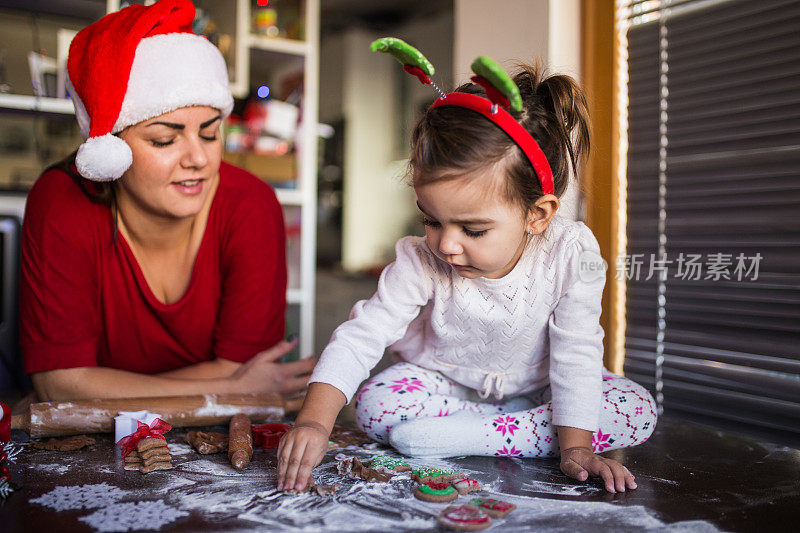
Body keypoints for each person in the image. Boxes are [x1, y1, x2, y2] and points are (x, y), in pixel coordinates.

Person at [277, 62, 657, 494]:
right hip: (448, 387)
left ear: (538, 214)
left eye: (473, 230)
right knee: (373, 404)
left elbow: (577, 350)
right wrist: (313, 422)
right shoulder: (418, 260)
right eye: (431, 220)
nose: (446, 245)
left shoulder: (571, 251)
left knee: (636, 408)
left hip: (540, 387)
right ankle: (523, 432)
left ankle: (476, 435)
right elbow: (362, 335)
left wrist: (575, 449)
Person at [20, 0, 314, 401]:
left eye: (210, 134)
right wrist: (229, 389)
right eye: (165, 139)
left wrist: (103, 389)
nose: (199, 159)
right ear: (110, 148)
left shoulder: (251, 205)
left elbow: (249, 375)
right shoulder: (61, 201)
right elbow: (60, 385)